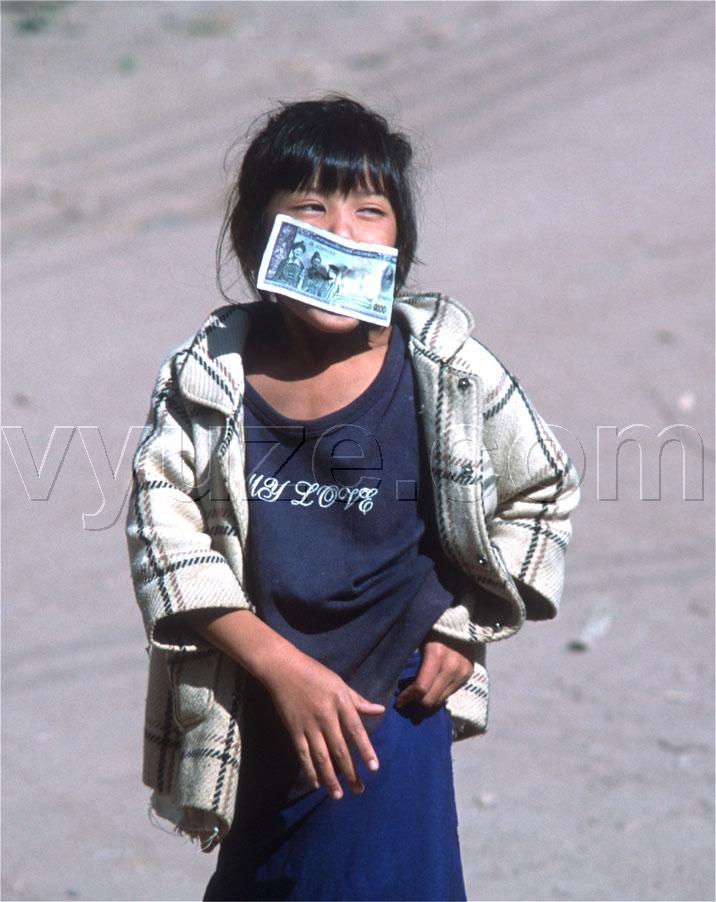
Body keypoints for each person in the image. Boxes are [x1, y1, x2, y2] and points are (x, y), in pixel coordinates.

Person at [126, 96, 580, 901]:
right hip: (256, 707)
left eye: (369, 210)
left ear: (398, 244)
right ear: (257, 238)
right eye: (310, 207)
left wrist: (463, 624)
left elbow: (542, 486)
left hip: (390, 713)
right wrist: (279, 668)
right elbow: (164, 535)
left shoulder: (446, 367)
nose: (340, 231)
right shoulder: (207, 374)